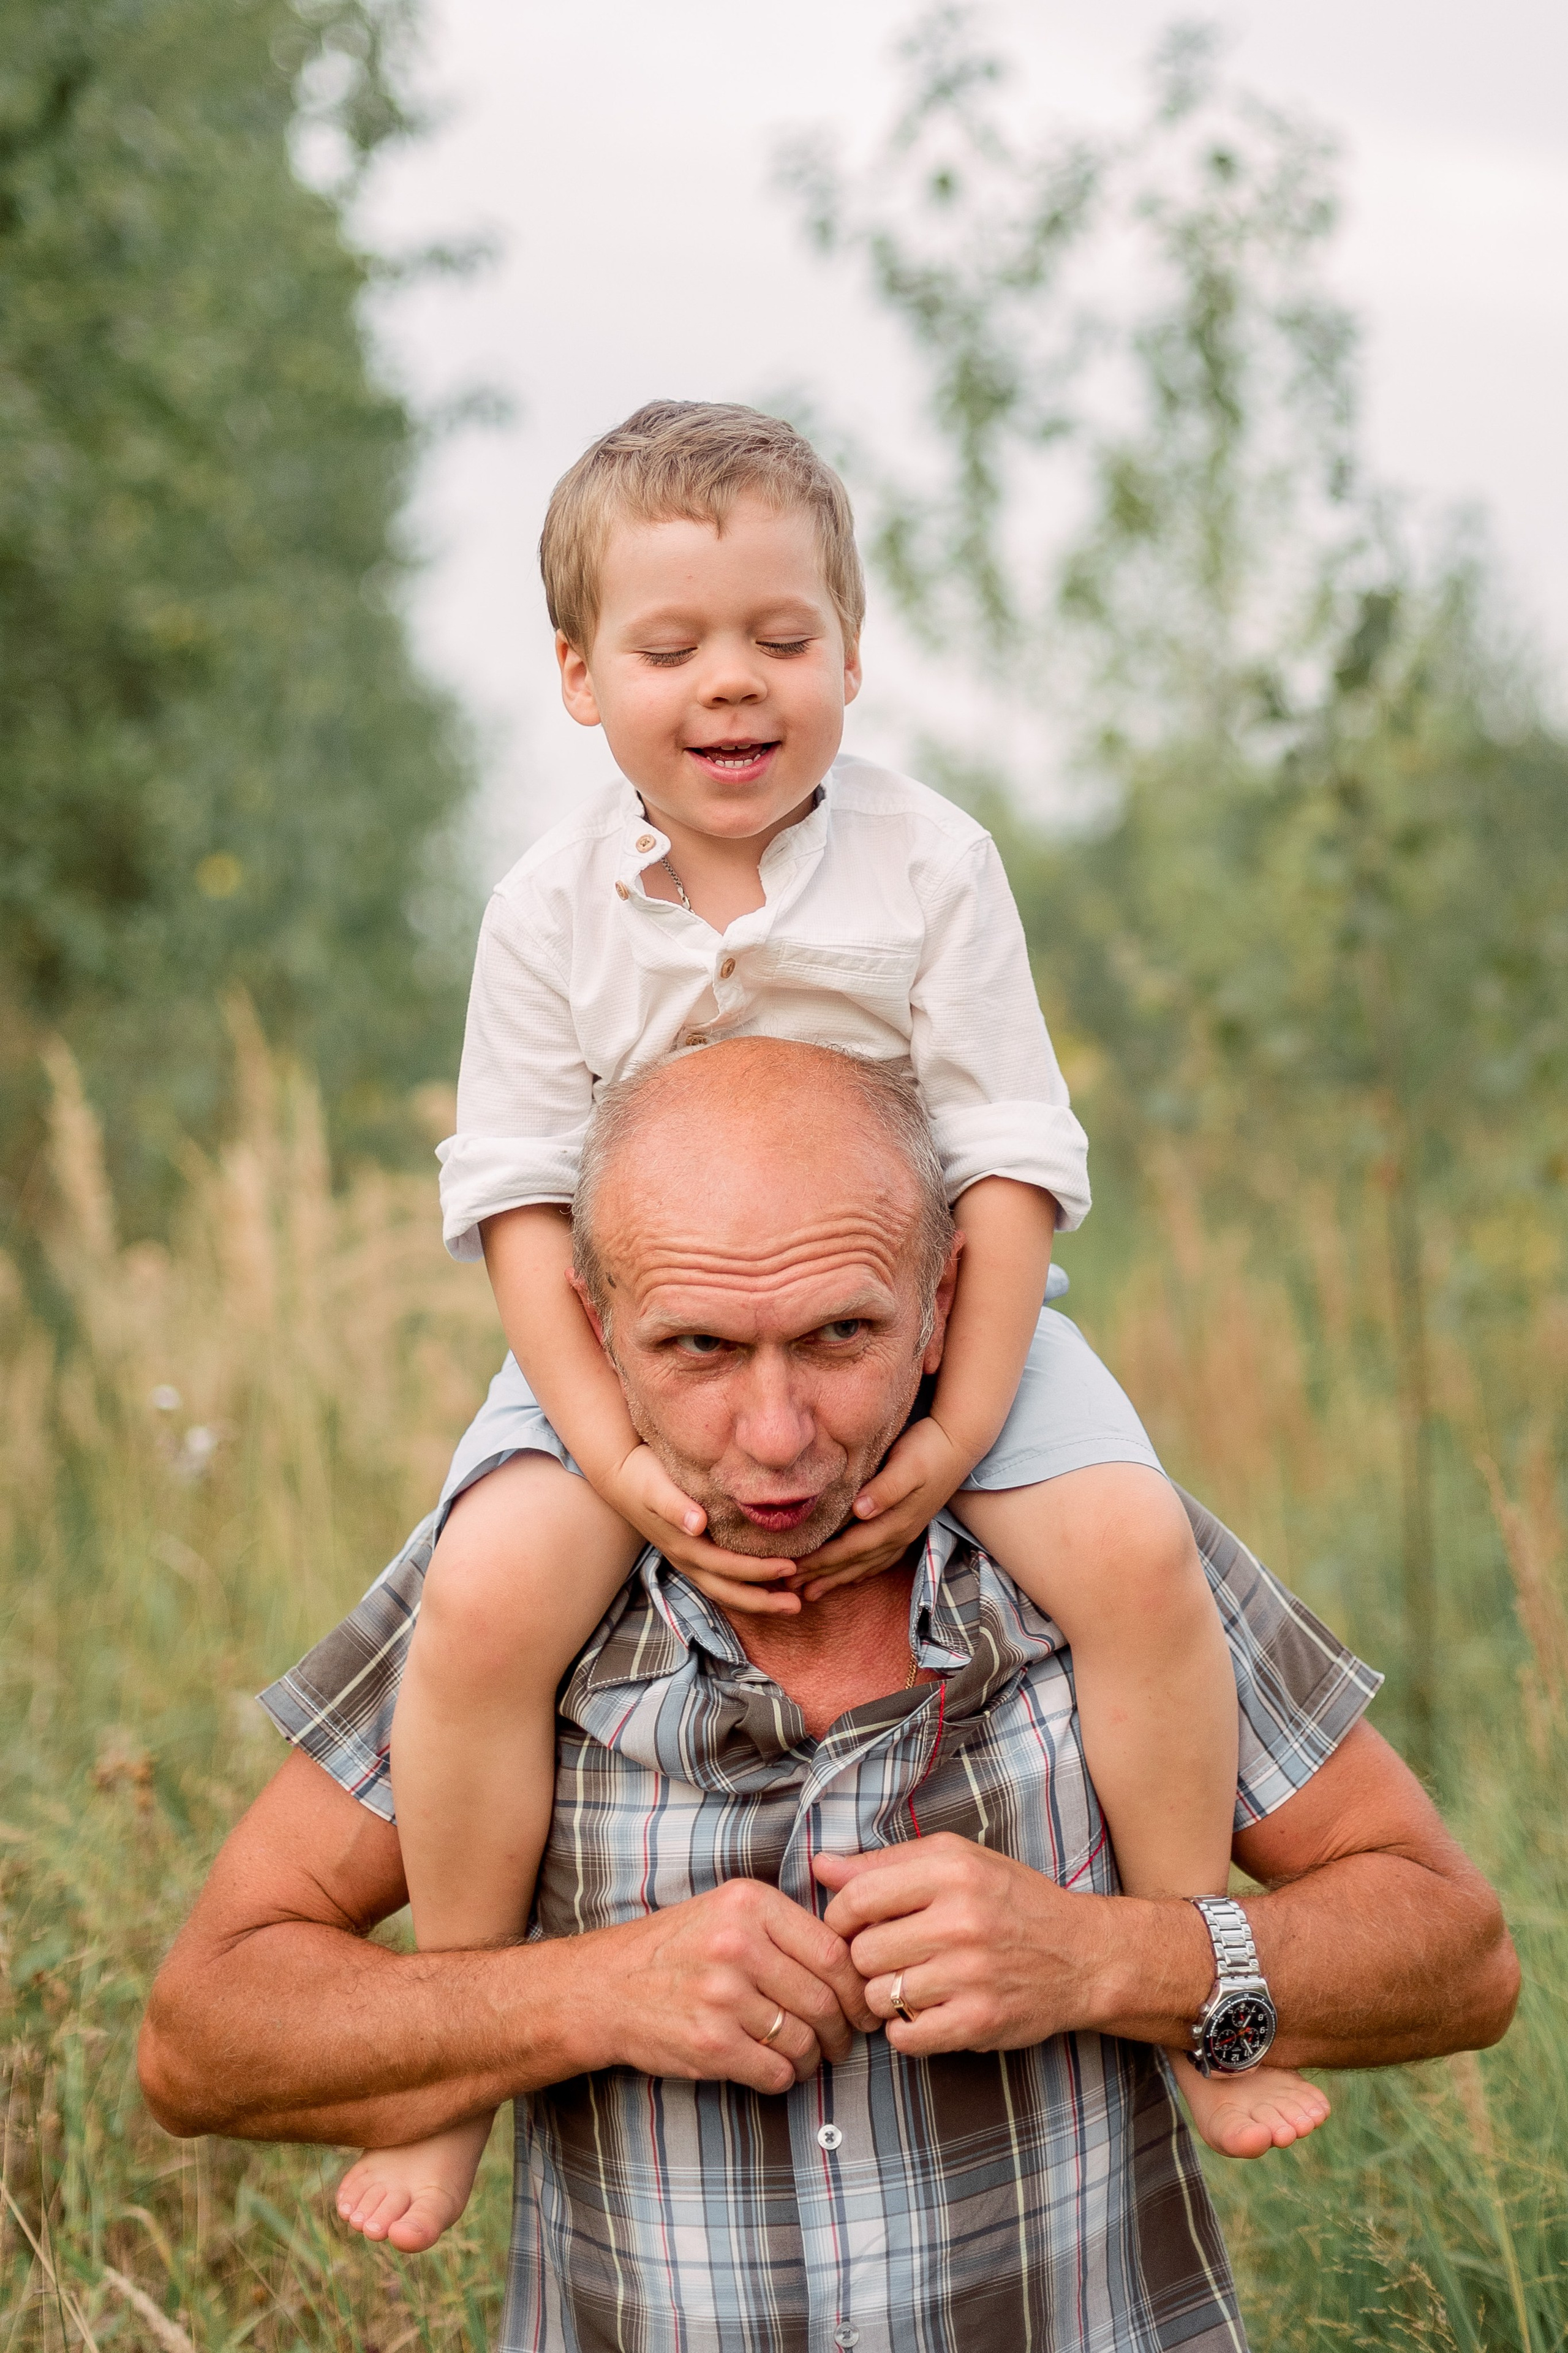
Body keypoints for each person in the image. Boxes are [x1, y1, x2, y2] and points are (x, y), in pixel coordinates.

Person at [139, 1041, 1519, 2352]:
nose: (777, 1434)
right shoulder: (503, 1601)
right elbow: (203, 2040)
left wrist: (1101, 1958)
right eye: (696, 1350)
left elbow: (1456, 1954)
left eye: (840, 1333)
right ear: (588, 1330)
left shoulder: (1102, 1548)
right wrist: (588, 1996)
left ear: (945, 1304)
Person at [374, 399, 1293, 2243]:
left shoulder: (932, 862)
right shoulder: (546, 909)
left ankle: (1199, 1977)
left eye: (783, 641)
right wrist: (619, 1462)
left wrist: (960, 1424)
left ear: (852, 653)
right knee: (478, 1608)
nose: (736, 686)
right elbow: (521, 1207)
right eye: (673, 647)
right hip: (626, 1342)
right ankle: (448, 2059)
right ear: (577, 676)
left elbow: (1016, 1159)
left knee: (1127, 1545)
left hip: (932, 1310)